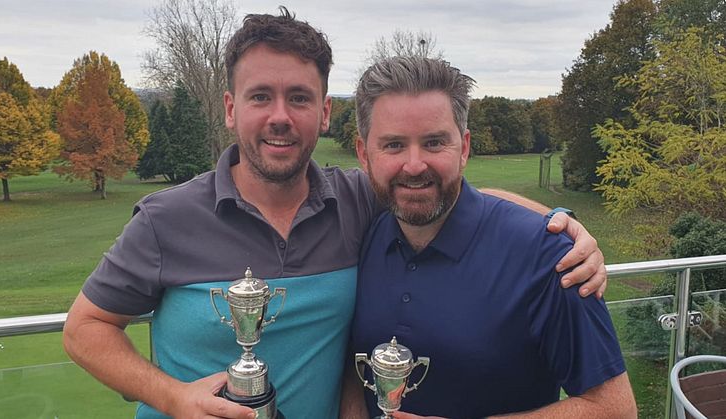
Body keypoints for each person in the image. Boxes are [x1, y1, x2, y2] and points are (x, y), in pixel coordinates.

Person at [63, 8, 607, 419]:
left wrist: (559, 225)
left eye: (299, 98)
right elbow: (84, 328)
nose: (280, 117)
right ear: (231, 109)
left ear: (324, 113)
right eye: (260, 97)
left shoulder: (357, 200)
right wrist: (171, 396)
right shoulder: (166, 219)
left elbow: (444, 190)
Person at [344, 56, 637, 419]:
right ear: (364, 154)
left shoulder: (550, 257)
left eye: (434, 143)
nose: (415, 165)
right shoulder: (366, 232)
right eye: (393, 145)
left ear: (464, 148)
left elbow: (615, 410)